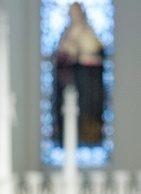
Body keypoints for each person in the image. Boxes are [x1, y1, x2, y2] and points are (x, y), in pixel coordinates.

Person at [53, 1, 105, 148]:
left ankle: (89, 138)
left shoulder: (88, 32)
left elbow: (96, 55)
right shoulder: (67, 33)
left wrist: (81, 56)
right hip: (70, 82)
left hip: (87, 82)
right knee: (67, 111)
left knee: (86, 113)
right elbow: (61, 57)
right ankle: (65, 138)